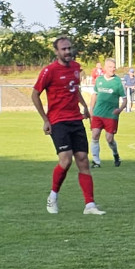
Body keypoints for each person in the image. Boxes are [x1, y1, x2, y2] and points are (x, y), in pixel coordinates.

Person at [31, 37, 105, 216]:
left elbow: (74, 88)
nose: (67, 52)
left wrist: (85, 106)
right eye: (63, 49)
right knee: (65, 160)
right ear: (56, 52)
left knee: (83, 160)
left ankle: (90, 205)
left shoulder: (76, 68)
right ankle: (53, 196)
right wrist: (45, 119)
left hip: (75, 119)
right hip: (58, 120)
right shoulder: (49, 71)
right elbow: (35, 95)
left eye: (69, 48)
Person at [89, 57, 126, 168]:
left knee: (109, 139)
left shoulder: (118, 82)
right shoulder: (99, 80)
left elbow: (125, 99)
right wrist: (91, 109)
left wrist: (119, 110)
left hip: (111, 115)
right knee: (95, 135)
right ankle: (96, 161)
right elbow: (94, 94)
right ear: (105, 68)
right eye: (110, 67)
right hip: (98, 113)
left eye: (114, 67)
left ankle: (115, 154)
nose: (112, 69)